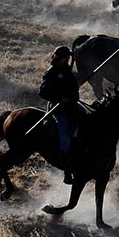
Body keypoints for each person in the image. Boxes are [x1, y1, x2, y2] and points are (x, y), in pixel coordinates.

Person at [39, 46, 84, 185]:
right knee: (64, 134)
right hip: (59, 109)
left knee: (86, 116)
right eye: (66, 57)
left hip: (72, 105)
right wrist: (59, 98)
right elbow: (43, 92)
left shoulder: (67, 70)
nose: (68, 59)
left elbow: (72, 84)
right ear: (60, 58)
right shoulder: (51, 73)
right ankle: (67, 168)